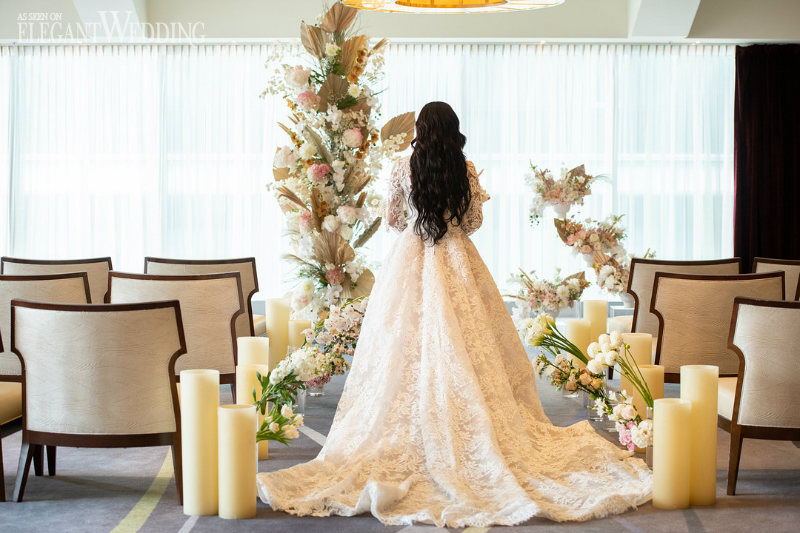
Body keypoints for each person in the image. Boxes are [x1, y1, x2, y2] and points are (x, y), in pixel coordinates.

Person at [257, 101, 652, 527]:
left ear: (420, 130)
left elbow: (392, 220)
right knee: (469, 343)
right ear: (454, 130)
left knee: (403, 347)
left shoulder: (400, 167)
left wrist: (417, 219)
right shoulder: (466, 168)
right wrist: (449, 221)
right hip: (458, 259)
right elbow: (474, 220)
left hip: (409, 259)